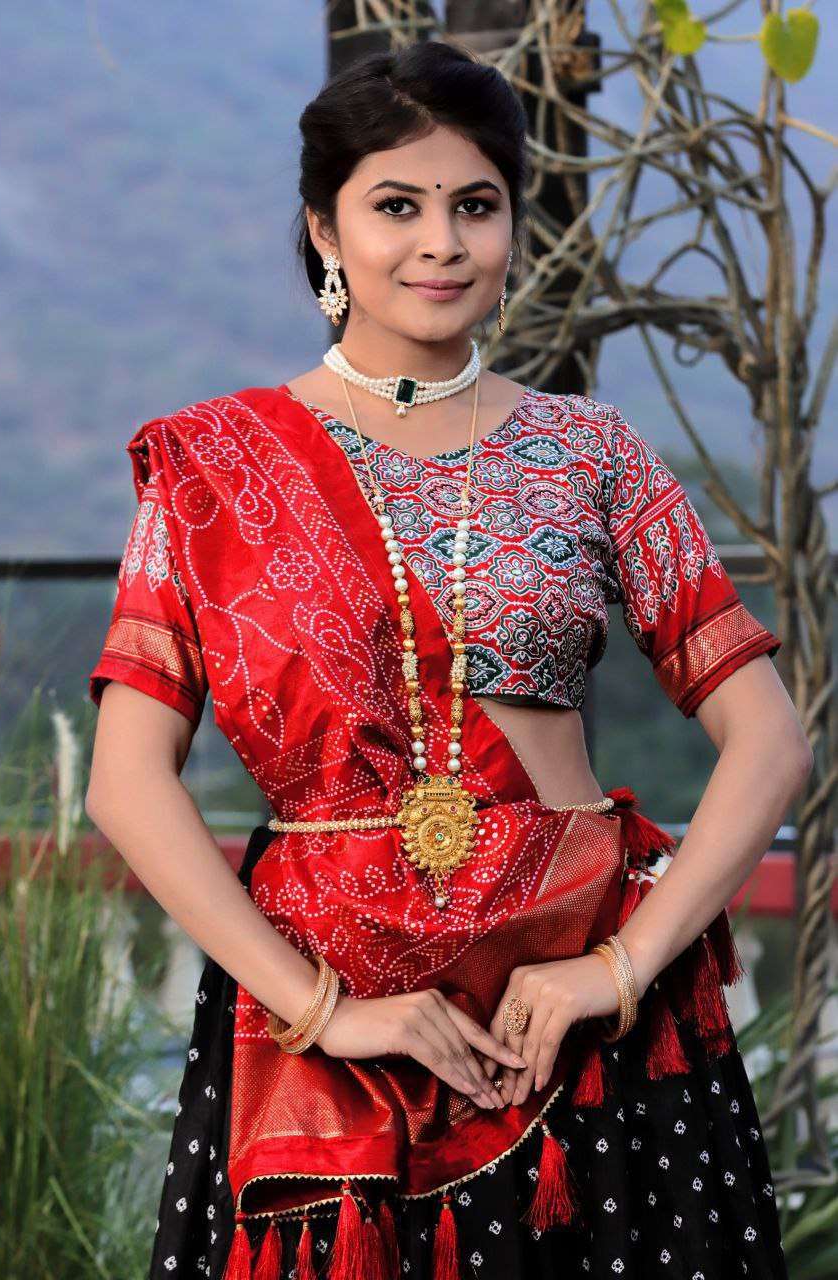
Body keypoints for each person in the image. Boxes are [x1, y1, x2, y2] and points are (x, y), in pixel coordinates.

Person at [85, 39, 808, 1280]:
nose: (441, 243)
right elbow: (125, 781)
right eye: (396, 206)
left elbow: (770, 741)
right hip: (332, 1027)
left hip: (577, 1026)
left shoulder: (591, 451)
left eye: (476, 205)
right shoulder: (209, 467)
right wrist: (325, 1008)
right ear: (325, 230)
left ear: (514, 226)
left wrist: (617, 967)